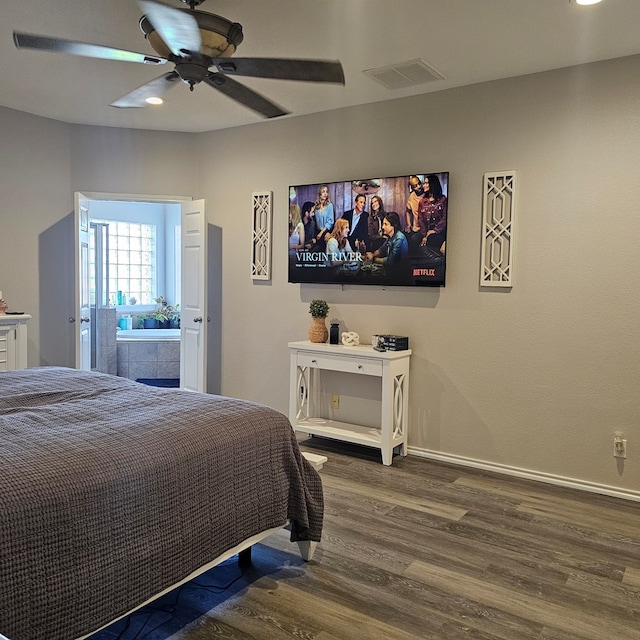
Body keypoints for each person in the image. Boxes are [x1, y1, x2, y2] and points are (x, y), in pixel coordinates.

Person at [364, 212, 409, 279]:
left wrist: (373, 259)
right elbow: (381, 250)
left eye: (386, 224)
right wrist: (372, 255)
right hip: (392, 272)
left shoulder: (399, 239)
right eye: (383, 224)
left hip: (400, 276)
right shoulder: (390, 237)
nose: (383, 227)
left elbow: (390, 261)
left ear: (393, 226)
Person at [417, 173, 447, 252]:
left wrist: (435, 230)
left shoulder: (443, 200)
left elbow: (445, 218)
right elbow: (420, 219)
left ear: (432, 184)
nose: (424, 185)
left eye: (426, 183)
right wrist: (424, 235)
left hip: (439, 231)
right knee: (413, 239)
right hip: (425, 231)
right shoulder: (422, 202)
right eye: (424, 183)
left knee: (432, 238)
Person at [405, 175, 424, 239]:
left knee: (413, 240)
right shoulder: (412, 196)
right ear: (412, 188)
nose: (419, 187)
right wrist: (408, 224)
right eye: (415, 186)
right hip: (415, 228)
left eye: (419, 183)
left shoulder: (427, 194)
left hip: (425, 229)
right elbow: (407, 211)